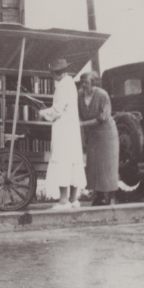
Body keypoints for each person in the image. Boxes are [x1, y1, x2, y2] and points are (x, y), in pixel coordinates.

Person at [39, 58, 87, 210]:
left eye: (53, 74)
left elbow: (57, 110)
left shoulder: (62, 86)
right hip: (71, 130)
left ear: (57, 73)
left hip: (64, 131)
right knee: (73, 163)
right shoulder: (70, 83)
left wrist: (42, 112)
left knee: (62, 163)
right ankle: (73, 199)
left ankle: (64, 201)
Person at [78, 71, 120, 206]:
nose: (84, 85)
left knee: (108, 166)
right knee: (94, 166)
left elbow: (103, 117)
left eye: (86, 82)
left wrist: (82, 124)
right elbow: (79, 114)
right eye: (82, 82)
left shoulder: (102, 95)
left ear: (93, 83)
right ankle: (99, 196)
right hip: (93, 135)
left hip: (106, 134)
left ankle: (112, 197)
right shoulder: (79, 95)